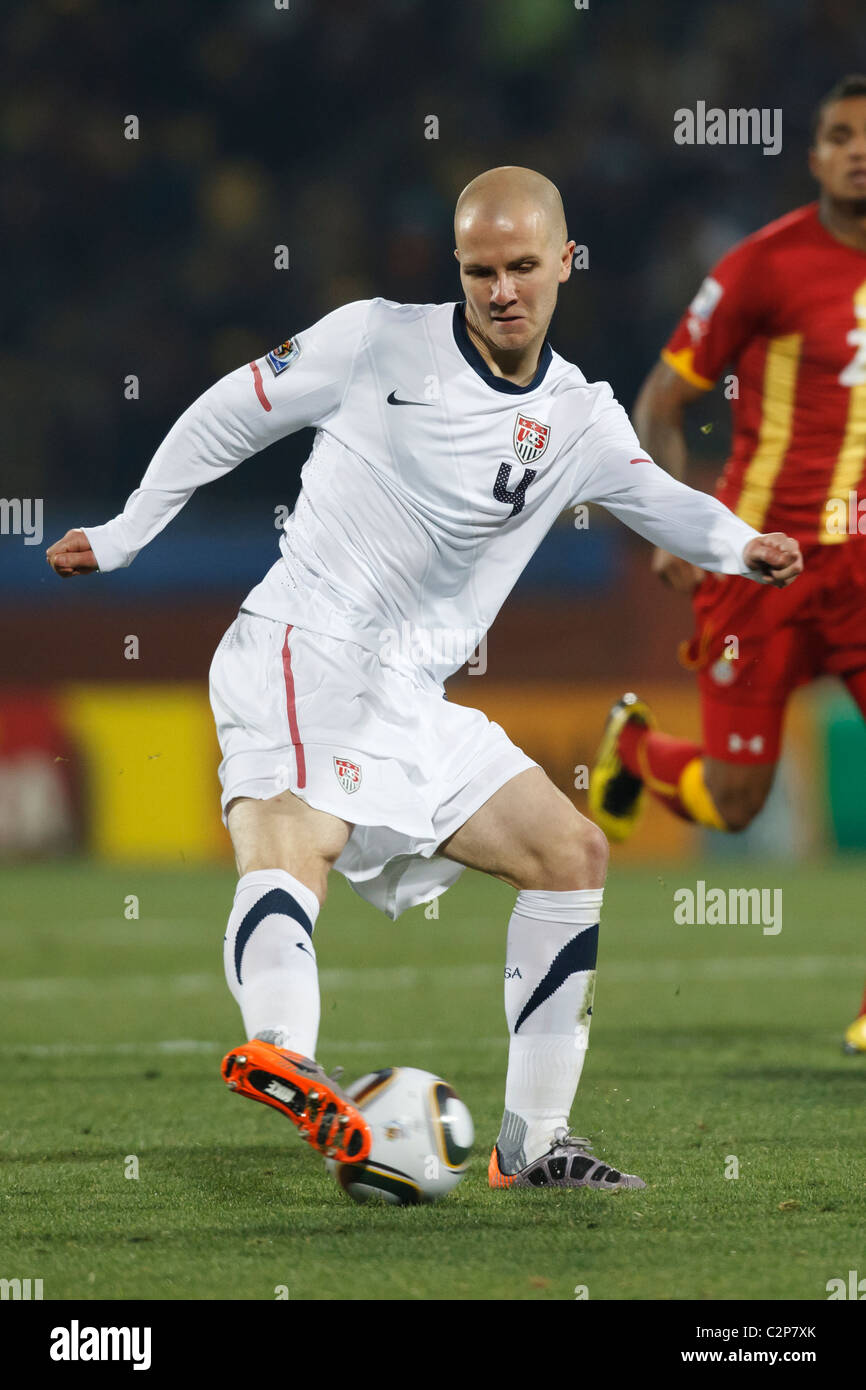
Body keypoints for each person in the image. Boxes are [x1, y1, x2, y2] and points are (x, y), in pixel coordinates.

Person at [46, 166, 802, 1191]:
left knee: (568, 849)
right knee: (293, 830)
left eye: (522, 267)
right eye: (479, 269)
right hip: (302, 641)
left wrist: (740, 543)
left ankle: (534, 1145)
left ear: (565, 262)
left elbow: (656, 497)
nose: (500, 289)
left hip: (408, 693)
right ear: (457, 267)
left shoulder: (578, 415)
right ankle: (282, 1050)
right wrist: (130, 530)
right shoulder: (372, 340)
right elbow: (232, 412)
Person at [587, 77, 866, 1056]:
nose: (855, 151)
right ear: (813, 155)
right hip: (759, 565)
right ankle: (631, 753)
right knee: (737, 800)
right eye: (837, 135)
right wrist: (670, 521)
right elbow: (659, 400)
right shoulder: (763, 264)